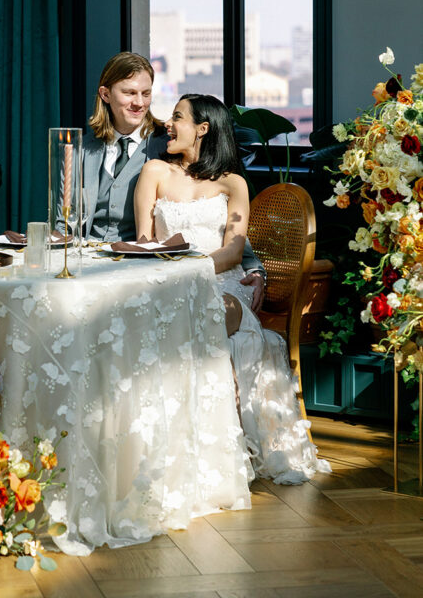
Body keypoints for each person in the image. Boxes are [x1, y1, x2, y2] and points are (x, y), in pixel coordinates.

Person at [134, 93, 329, 484]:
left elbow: (234, 249)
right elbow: (143, 240)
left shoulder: (233, 183)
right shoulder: (154, 171)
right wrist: (169, 275)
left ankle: (215, 446)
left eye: (177, 117)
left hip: (223, 284)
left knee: (209, 314)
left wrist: (193, 269)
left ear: (203, 128)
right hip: (164, 282)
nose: (168, 125)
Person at [83, 52, 266, 311]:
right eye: (130, 93)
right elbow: (65, 224)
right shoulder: (80, 150)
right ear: (106, 95)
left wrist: (256, 269)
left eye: (146, 94)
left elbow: (230, 229)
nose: (140, 103)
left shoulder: (166, 144)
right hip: (101, 266)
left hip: (166, 273)